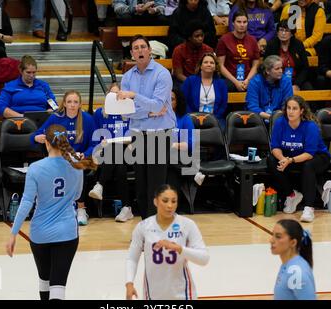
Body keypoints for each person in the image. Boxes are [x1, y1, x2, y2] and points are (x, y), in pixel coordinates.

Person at [5, 124, 97, 300]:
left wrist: (13, 233)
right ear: (64, 141)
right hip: (67, 233)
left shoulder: (35, 168)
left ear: (46, 143)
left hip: (40, 234)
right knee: (58, 286)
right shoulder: (76, 165)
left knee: (44, 281)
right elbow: (77, 196)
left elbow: (26, 202)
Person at [118, 34, 176, 219]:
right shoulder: (127, 77)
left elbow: (159, 106)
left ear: (150, 50)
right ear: (132, 53)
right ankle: (146, 225)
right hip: (138, 133)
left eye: (143, 46)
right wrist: (147, 111)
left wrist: (134, 96)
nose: (140, 50)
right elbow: (125, 113)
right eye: (136, 48)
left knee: (156, 186)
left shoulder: (162, 74)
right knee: (141, 185)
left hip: (159, 133)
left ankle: (157, 228)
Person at [125, 184, 209, 300]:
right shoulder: (143, 226)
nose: (170, 205)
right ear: (155, 201)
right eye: (165, 201)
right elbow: (132, 258)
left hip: (183, 294)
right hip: (152, 295)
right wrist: (129, 283)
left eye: (174, 201)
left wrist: (179, 249)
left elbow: (204, 258)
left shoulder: (187, 225)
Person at [31, 90, 96, 226]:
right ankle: (57, 209)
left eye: (75, 102)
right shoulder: (56, 118)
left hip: (81, 158)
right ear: (64, 104)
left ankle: (81, 208)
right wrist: (38, 137)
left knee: (78, 166)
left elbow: (94, 143)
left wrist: (86, 153)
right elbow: (36, 134)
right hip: (60, 158)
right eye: (69, 102)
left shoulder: (88, 119)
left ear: (80, 104)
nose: (72, 105)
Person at [268, 95, 331, 222]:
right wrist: (282, 159)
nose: (290, 111)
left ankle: (309, 208)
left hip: (318, 157)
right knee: (271, 160)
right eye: (289, 108)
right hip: (291, 156)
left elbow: (309, 153)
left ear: (301, 111)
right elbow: (275, 147)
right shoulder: (280, 122)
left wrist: (290, 160)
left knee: (309, 165)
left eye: (294, 108)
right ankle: (292, 195)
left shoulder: (310, 126)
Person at [88, 83, 134, 223]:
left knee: (117, 150)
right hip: (105, 152)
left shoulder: (130, 113)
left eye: (119, 94)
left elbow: (136, 135)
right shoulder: (100, 114)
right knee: (118, 163)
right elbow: (95, 137)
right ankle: (127, 207)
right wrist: (100, 145)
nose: (116, 98)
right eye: (112, 95)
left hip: (129, 152)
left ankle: (100, 185)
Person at [270, 219, 316, 300]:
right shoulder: (288, 265)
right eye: (272, 235)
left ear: (293, 242)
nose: (271, 240)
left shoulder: (296, 272)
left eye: (278, 236)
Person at [216, 10, 260, 92]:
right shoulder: (224, 40)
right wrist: (236, 82)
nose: (242, 25)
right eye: (239, 22)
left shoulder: (252, 40)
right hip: (230, 78)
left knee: (258, 84)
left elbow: (255, 65)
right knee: (227, 86)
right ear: (233, 23)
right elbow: (220, 66)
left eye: (245, 22)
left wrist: (247, 80)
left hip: (248, 77)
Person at [182, 52, 228, 129]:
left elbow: (223, 105)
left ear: (215, 67)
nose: (209, 64)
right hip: (192, 117)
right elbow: (184, 102)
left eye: (212, 63)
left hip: (215, 119)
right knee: (189, 133)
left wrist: (213, 118)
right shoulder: (190, 81)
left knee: (222, 129)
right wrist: (193, 117)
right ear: (200, 66)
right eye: (205, 62)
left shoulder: (221, 83)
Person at [264, 19, 312, 92]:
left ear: (292, 33)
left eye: (286, 31)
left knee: (308, 88)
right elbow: (266, 66)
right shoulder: (271, 45)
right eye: (281, 30)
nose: (283, 33)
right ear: (277, 32)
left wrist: (297, 84)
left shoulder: (298, 45)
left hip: (296, 80)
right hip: (277, 80)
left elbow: (305, 68)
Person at [246, 55, 293, 121]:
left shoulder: (286, 81)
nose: (281, 71)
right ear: (267, 71)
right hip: (258, 119)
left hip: (279, 119)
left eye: (281, 68)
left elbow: (287, 105)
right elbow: (252, 107)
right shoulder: (255, 82)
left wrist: (277, 117)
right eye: (277, 69)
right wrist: (270, 117)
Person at [172, 19, 214, 84]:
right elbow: (178, 74)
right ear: (189, 37)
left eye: (202, 35)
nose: (200, 38)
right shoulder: (178, 50)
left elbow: (212, 71)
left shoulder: (208, 50)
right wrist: (193, 83)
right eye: (197, 36)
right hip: (184, 82)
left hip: (204, 81)